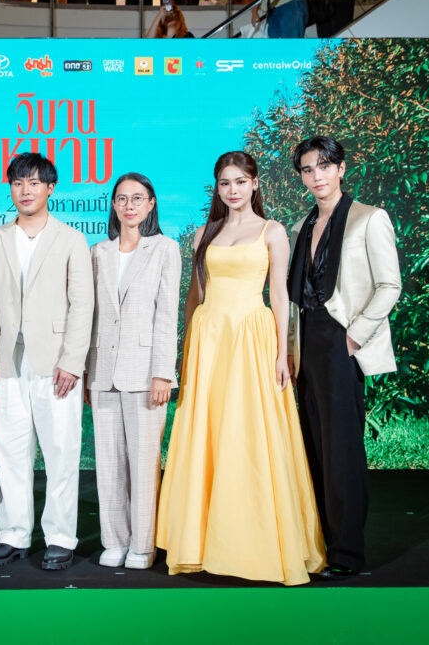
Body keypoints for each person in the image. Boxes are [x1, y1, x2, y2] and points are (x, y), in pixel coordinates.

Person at [156, 151, 325, 586]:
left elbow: (280, 295)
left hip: (252, 337)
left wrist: (283, 353)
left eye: (240, 181)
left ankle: (258, 543)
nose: (232, 190)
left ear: (255, 184)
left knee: (250, 432)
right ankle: (200, 542)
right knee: (208, 431)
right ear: (217, 187)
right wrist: (185, 349)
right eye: (225, 183)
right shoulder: (203, 234)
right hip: (209, 339)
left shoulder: (273, 231)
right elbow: (195, 296)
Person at [287, 136, 401, 579]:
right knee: (312, 448)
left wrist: (354, 337)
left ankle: (347, 554)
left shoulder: (370, 218)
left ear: (341, 168)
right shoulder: (301, 225)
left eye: (324, 166)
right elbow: (295, 297)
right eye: (307, 170)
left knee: (342, 451)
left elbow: (389, 285)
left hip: (341, 341)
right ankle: (321, 546)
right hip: (306, 345)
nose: (316, 176)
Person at [0, 153, 94, 571]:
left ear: (50, 188)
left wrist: (73, 361)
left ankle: (60, 537)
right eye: (17, 183)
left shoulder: (71, 240)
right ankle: (13, 535)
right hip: (8, 360)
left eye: (34, 183)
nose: (25, 190)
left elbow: (83, 304)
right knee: (9, 450)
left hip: (57, 361)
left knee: (61, 450)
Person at [86, 173, 180, 570]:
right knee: (108, 464)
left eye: (137, 198)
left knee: (143, 463)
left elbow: (167, 314)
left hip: (145, 373)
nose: (129, 205)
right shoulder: (98, 252)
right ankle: (114, 541)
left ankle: (142, 545)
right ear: (113, 204)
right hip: (102, 372)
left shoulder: (165, 249)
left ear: (151, 204)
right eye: (122, 198)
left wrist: (163, 372)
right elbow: (90, 315)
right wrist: (85, 372)